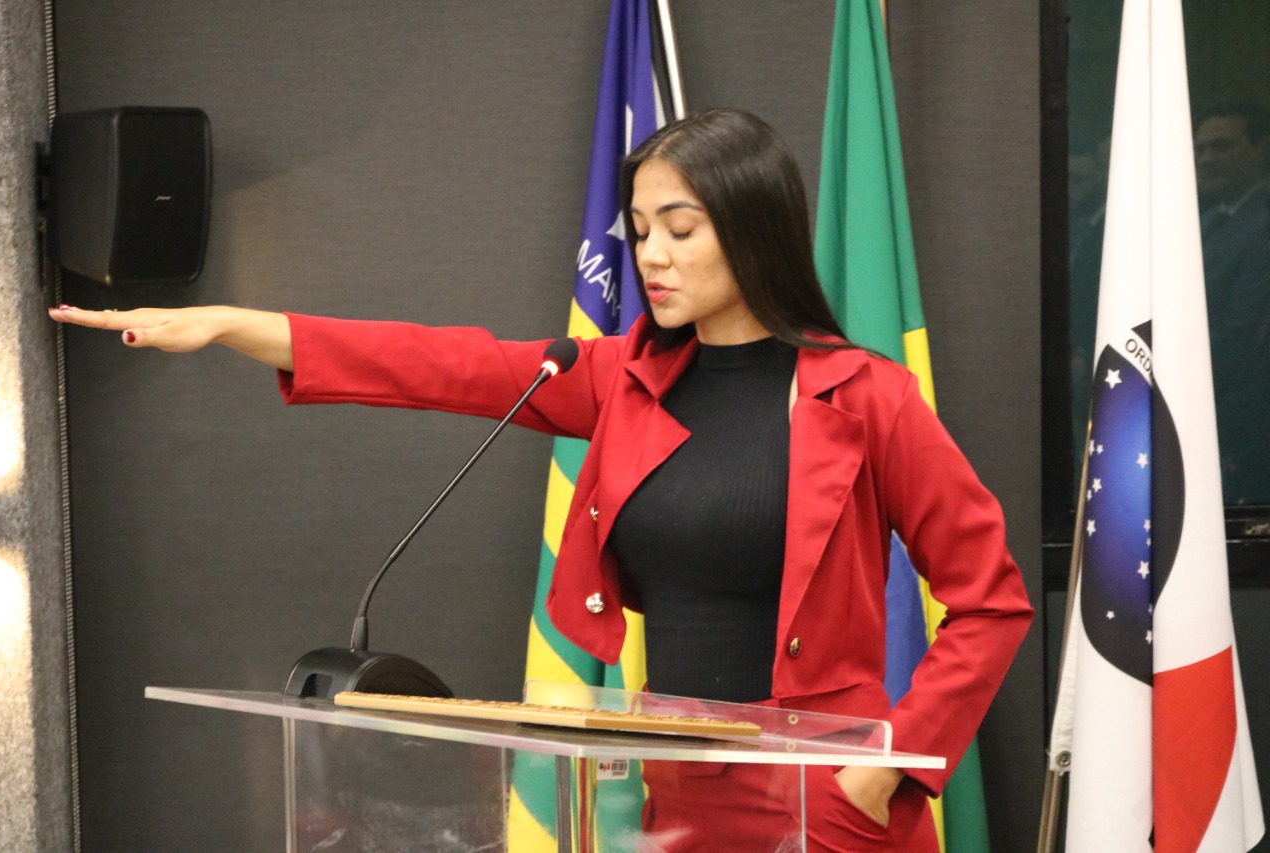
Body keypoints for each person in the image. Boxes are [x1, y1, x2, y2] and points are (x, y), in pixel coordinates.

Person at [50, 108, 1032, 852]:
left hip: (829, 796)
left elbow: (989, 600)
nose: (650, 255)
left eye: (679, 228)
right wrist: (235, 324)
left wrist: (891, 760)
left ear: (752, 228)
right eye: (639, 229)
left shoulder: (865, 396)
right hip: (673, 792)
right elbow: (441, 365)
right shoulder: (620, 378)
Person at [1193, 101, 1270, 505]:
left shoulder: (1263, 224)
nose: (1207, 159)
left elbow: (1243, 333)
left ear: (1260, 149)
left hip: (1239, 412)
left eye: (1222, 147)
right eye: (1201, 149)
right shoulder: (1208, 219)